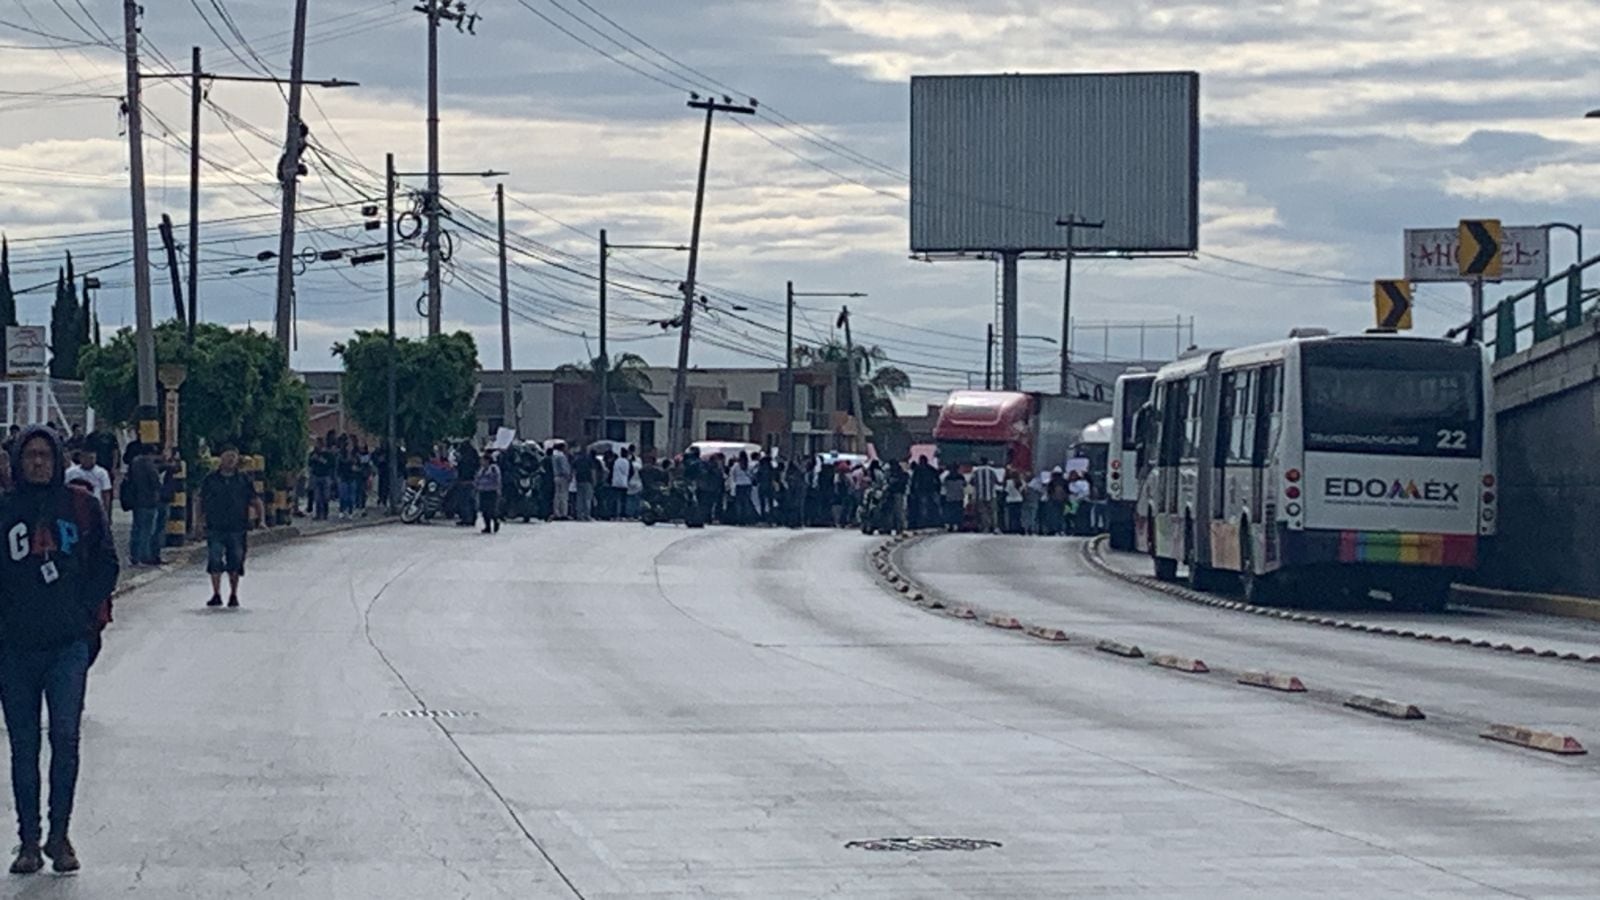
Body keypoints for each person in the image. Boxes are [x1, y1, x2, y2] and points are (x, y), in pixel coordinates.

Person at [0, 425, 119, 875]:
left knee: (65, 738)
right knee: (23, 745)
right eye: (29, 455)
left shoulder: (81, 506)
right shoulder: (5, 510)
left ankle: (59, 834)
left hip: (68, 644)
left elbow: (106, 564)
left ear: (56, 460)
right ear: (17, 460)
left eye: (44, 455)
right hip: (15, 648)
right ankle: (28, 840)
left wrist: (85, 615)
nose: (37, 463)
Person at [199, 444, 263, 608]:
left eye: (234, 456)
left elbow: (255, 500)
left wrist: (261, 519)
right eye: (228, 456)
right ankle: (216, 594)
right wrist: (198, 523)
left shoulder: (243, 480)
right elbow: (200, 502)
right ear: (221, 458)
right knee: (215, 559)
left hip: (237, 527)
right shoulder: (210, 479)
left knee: (235, 561)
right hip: (215, 526)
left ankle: (233, 594)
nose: (230, 459)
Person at [124, 442, 165, 566]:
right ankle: (144, 556)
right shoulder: (149, 465)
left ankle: (134, 555)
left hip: (136, 500)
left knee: (136, 529)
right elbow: (155, 483)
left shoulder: (134, 463)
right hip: (148, 500)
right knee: (147, 530)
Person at [64, 448, 112, 518]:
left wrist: (106, 512)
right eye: (86, 458)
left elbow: (106, 493)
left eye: (92, 458)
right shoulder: (70, 472)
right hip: (74, 506)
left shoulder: (102, 472)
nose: (90, 461)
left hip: (94, 506)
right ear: (80, 458)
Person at [307, 437, 336, 521]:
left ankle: (325, 513)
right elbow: (310, 464)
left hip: (325, 476)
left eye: (318, 444)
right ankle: (318, 514)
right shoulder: (313, 453)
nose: (316, 446)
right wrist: (312, 460)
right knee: (317, 496)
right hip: (316, 476)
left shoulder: (328, 454)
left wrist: (320, 459)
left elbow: (330, 464)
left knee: (326, 496)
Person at [971, 456, 1000, 534]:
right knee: (993, 512)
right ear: (987, 462)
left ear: (980, 462)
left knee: (983, 512)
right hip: (991, 494)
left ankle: (985, 528)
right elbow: (997, 481)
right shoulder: (992, 471)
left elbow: (972, 482)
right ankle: (995, 528)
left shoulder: (976, 472)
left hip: (980, 495)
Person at [475, 450, 502, 534]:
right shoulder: (481, 470)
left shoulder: (493, 469)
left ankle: (496, 522)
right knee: (484, 510)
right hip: (483, 491)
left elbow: (497, 480)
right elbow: (477, 479)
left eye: (483, 460)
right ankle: (487, 527)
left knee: (491, 510)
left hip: (491, 491)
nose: (481, 462)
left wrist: (497, 489)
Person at [885, 459, 910, 535]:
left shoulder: (900, 474)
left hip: (897, 493)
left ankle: (899, 527)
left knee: (897, 511)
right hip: (893, 493)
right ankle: (893, 527)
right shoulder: (892, 473)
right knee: (893, 511)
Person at [549, 442, 572, 520]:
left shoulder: (554, 456)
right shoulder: (561, 456)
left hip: (556, 476)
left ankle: (556, 512)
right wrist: (568, 475)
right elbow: (564, 468)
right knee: (563, 496)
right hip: (563, 477)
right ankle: (563, 513)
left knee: (557, 496)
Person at [940, 463, 966, 532]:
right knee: (959, 512)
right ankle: (959, 525)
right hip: (959, 497)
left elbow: (944, 485)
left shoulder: (947, 478)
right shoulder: (961, 477)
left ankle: (951, 526)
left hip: (950, 497)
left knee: (951, 512)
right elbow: (964, 485)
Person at [573, 447, 595, 522]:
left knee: (579, 498)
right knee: (587, 498)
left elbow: (574, 470)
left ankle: (579, 515)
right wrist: (594, 481)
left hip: (579, 480)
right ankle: (587, 515)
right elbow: (592, 471)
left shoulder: (577, 460)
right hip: (588, 480)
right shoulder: (589, 460)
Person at [1003, 467, 1025, 534]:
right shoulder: (1021, 482)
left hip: (1010, 500)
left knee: (1011, 516)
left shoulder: (1009, 482)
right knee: (1018, 516)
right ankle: (1018, 528)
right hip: (1019, 500)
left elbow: (1006, 491)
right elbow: (1024, 491)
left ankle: (1011, 528)